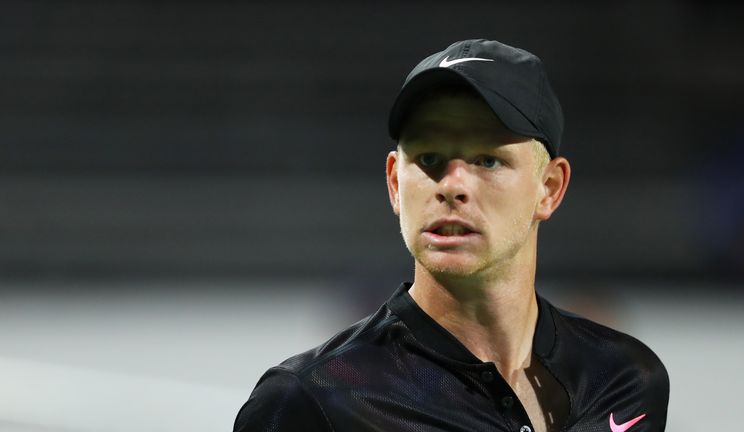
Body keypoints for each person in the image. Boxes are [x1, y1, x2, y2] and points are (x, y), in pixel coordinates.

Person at [233, 39, 669, 432]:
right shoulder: (314, 400)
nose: (452, 184)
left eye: (487, 160)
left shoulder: (625, 378)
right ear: (395, 185)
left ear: (549, 189)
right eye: (429, 157)